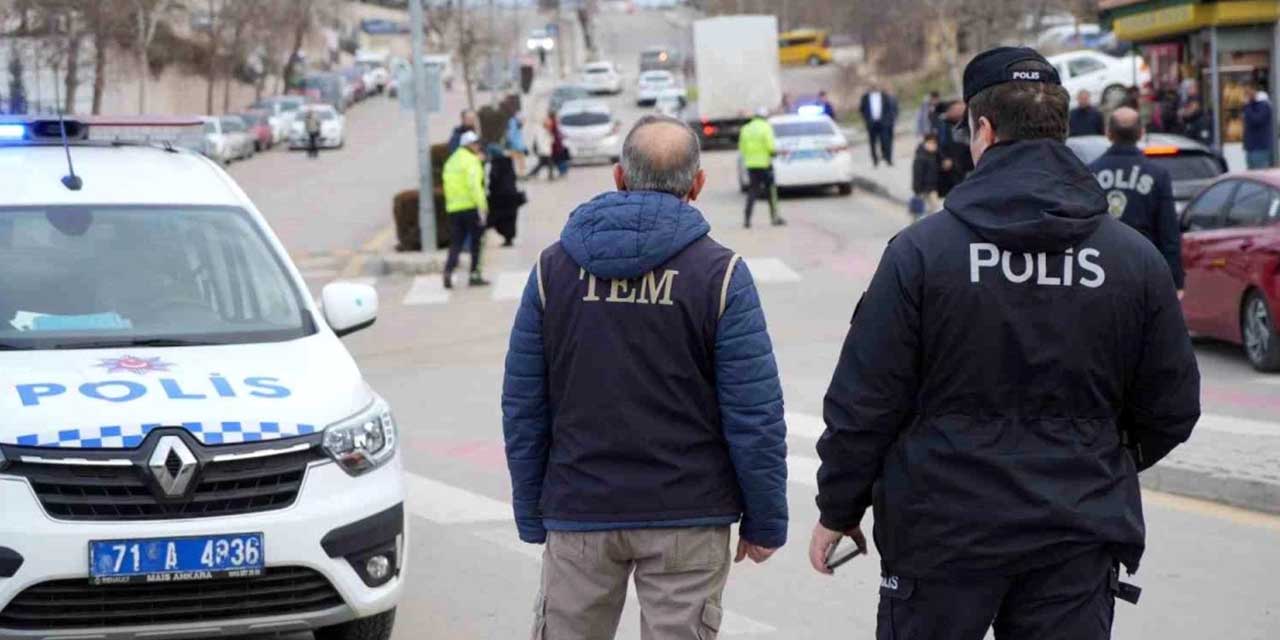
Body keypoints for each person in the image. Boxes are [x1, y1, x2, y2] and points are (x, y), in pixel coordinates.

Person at [809, 46, 1200, 639]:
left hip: (941, 534)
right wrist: (1100, 456)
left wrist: (839, 507)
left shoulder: (921, 253)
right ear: (1061, 129)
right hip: (1077, 534)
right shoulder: (1132, 259)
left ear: (984, 130)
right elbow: (1172, 406)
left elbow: (866, 401)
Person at [502, 114, 788, 640]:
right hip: (689, 515)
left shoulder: (553, 270)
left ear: (618, 178)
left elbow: (524, 403)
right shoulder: (720, 274)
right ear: (697, 185)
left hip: (580, 510)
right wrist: (765, 518)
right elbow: (754, 413)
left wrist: (530, 509)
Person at [1089, 107, 1185, 297]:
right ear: (1141, 133)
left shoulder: (1089, 173)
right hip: (1143, 270)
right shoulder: (1158, 175)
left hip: (1096, 270)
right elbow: (1169, 232)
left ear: (1108, 133)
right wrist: (1176, 280)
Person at [441, 131, 490, 288]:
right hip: (471, 207)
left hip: (453, 209)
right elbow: (474, 186)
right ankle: (475, 275)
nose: (478, 146)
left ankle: (448, 271)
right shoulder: (471, 161)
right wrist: (482, 206)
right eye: (475, 144)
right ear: (468, 145)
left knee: (456, 242)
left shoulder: (451, 161)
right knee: (477, 242)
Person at [738, 107, 785, 228]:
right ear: (764, 117)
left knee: (752, 192)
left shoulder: (746, 128)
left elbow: (742, 148)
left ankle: (747, 219)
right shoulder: (766, 127)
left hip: (751, 165)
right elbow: (770, 146)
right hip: (765, 164)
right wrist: (774, 153)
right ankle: (775, 218)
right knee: (771, 191)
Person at [486, 141, 525, 247]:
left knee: (497, 218)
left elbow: (494, 180)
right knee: (510, 219)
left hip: (500, 197)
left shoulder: (496, 164)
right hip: (512, 195)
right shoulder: (509, 162)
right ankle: (509, 239)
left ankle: (480, 235)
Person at [936, 100, 973, 197]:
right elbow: (941, 142)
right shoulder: (943, 124)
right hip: (955, 161)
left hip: (967, 159)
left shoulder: (969, 121)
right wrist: (945, 157)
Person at [859, 84, 898, 166]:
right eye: (872, 87)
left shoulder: (884, 96)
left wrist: (887, 119)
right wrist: (866, 119)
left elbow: (889, 108)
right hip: (871, 123)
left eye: (875, 87)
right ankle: (875, 160)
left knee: (885, 141)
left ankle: (888, 158)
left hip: (883, 122)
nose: (874, 88)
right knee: (872, 142)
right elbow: (861, 109)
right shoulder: (865, 97)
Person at [1243, 85, 1274, 169]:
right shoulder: (1252, 105)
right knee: (1251, 173)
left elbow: (1256, 120)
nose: (1246, 96)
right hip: (1252, 147)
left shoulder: (1263, 105)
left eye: (1248, 93)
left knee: (1259, 172)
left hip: (1260, 147)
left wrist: (1247, 105)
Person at [911, 131, 940, 215]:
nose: (933, 145)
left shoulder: (935, 156)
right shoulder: (920, 157)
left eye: (934, 143)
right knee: (918, 212)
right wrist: (917, 190)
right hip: (922, 190)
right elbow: (917, 175)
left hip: (932, 188)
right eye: (930, 143)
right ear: (925, 143)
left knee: (934, 210)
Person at [525, 114, 558, 181]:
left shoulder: (544, 131)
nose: (549, 126)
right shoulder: (543, 132)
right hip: (544, 151)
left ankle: (530, 175)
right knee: (548, 164)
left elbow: (550, 140)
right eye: (548, 125)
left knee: (542, 164)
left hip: (544, 151)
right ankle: (550, 176)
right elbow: (549, 141)